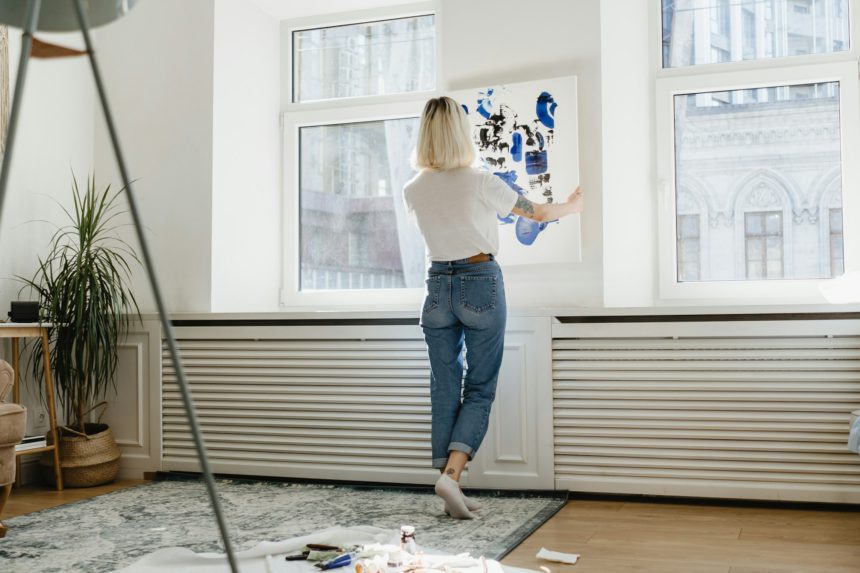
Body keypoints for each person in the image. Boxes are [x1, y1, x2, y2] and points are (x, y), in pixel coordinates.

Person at [402, 96, 583, 519]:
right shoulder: (480, 180)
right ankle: (451, 475)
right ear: (460, 133)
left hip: (435, 288)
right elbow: (535, 213)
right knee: (479, 387)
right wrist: (574, 206)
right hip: (480, 282)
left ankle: (450, 484)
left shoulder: (413, 188)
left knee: (444, 388)